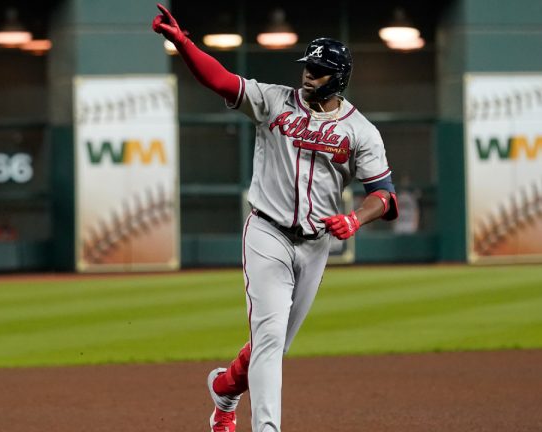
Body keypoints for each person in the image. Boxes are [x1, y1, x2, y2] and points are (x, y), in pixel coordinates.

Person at [152, 4, 399, 432]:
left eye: (319, 70)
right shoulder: (273, 101)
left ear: (338, 77)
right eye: (308, 66)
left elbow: (385, 196)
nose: (308, 74)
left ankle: (225, 388)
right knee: (268, 338)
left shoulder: (361, 131)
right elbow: (220, 80)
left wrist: (357, 219)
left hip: (316, 244)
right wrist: (184, 45)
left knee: (275, 344)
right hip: (267, 232)